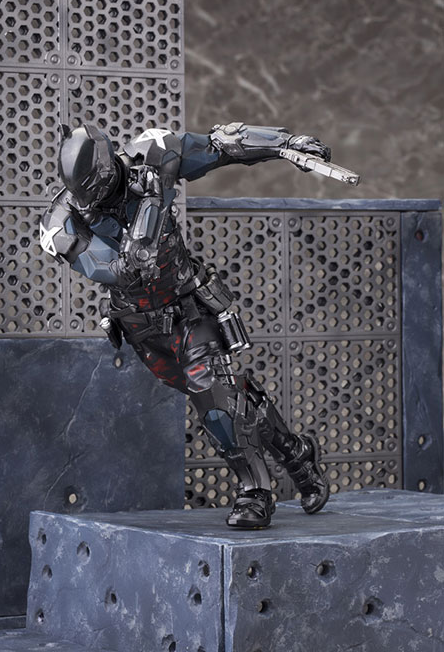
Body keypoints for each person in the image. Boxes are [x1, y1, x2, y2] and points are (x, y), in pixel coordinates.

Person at [40, 122, 331, 528]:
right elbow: (111, 265)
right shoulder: (62, 218)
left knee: (214, 399)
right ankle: (296, 454)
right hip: (142, 327)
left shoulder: (153, 153)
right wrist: (147, 215)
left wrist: (286, 144)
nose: (87, 201)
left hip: (188, 307)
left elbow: (221, 144)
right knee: (227, 396)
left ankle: (255, 492)